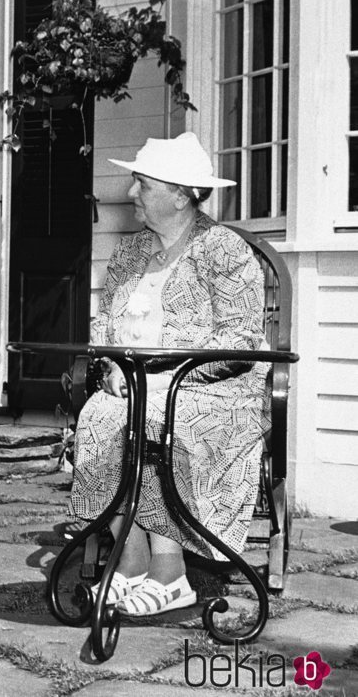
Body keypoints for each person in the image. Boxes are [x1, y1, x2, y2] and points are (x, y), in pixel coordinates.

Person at [70, 132, 267, 616]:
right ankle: (131, 563)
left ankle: (170, 574)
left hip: (213, 391)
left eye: (142, 184)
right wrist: (113, 364)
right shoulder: (130, 253)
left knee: (157, 418)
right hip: (136, 385)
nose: (131, 193)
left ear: (181, 195)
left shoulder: (224, 250)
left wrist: (165, 376)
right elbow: (103, 325)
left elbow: (240, 339)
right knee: (99, 415)